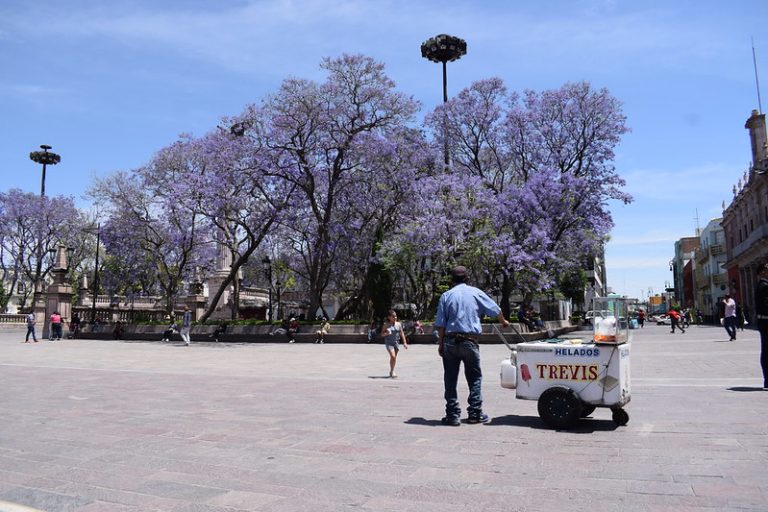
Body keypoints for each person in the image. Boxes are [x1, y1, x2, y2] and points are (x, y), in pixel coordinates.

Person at [435, 266, 510, 426]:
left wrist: (440, 343)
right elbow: (495, 309)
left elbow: (441, 324)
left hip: (450, 340)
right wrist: (503, 322)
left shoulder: (446, 296)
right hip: (470, 341)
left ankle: (452, 415)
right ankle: (475, 413)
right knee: (474, 378)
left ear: (451, 280)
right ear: (468, 279)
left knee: (450, 378)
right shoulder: (476, 292)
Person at [381, 310, 408, 378]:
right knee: (393, 356)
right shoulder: (386, 325)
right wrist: (386, 333)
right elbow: (381, 334)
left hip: (396, 343)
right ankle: (393, 371)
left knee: (394, 358)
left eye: (395, 316)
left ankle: (391, 370)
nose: (395, 317)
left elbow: (402, 333)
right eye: (393, 316)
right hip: (389, 343)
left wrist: (404, 342)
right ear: (389, 317)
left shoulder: (398, 324)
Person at [754, 262, 768, 389]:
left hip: (763, 321)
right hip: (766, 321)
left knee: (766, 350)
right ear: (762, 272)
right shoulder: (764, 286)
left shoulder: (761, 285)